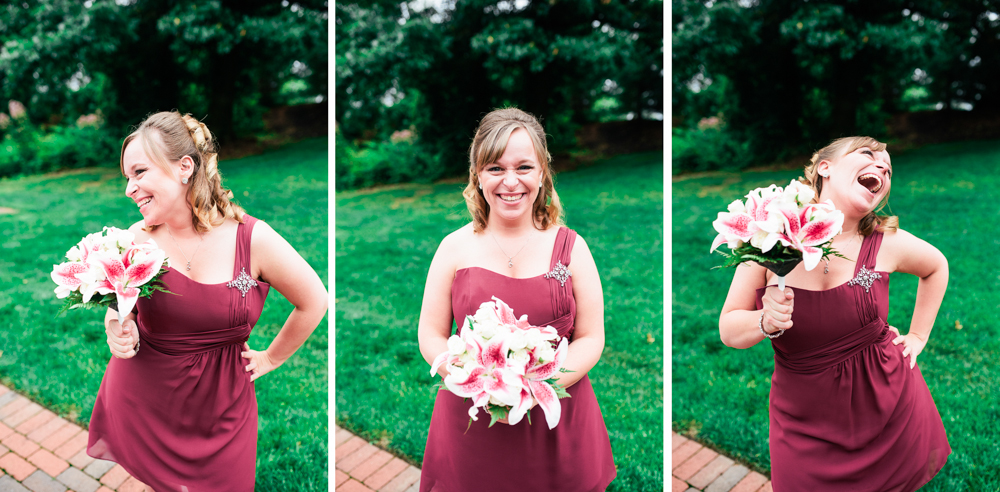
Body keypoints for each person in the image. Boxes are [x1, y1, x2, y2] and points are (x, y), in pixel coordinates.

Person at [88, 111, 328, 491]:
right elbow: (123, 308)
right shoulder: (135, 240)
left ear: (184, 167)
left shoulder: (254, 239)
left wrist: (272, 357)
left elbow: (314, 300)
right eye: (127, 177)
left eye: (139, 173)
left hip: (223, 410)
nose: (129, 188)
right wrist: (116, 326)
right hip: (146, 399)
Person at [718, 136, 951, 490]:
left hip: (886, 405)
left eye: (888, 169)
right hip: (803, 420)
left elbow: (937, 267)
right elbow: (729, 330)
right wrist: (764, 320)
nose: (882, 168)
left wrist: (918, 336)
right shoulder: (770, 236)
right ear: (824, 167)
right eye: (868, 154)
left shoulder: (887, 241)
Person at [417, 108, 616, 492]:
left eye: (524, 167)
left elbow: (591, 337)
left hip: (556, 420)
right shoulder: (452, 248)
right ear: (477, 175)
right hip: (472, 420)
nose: (511, 182)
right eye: (495, 168)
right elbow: (430, 332)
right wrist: (476, 384)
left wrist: (531, 389)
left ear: (542, 173)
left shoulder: (572, 248)